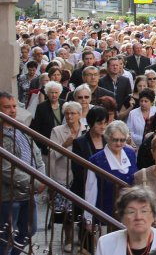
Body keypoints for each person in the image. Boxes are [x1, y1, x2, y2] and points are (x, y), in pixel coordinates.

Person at [0, 92, 46, 255]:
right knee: (5, 236)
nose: (12, 110)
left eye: (14, 106)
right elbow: (5, 169)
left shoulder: (21, 127)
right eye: (7, 107)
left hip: (28, 194)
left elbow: (37, 155)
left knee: (29, 231)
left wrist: (41, 177)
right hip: (9, 196)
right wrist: (34, 183)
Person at [84, 120, 138, 224]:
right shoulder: (96, 160)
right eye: (115, 140)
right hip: (105, 214)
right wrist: (89, 218)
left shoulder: (130, 154)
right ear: (107, 138)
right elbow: (90, 191)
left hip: (129, 213)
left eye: (122, 140)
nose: (118, 143)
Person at [48, 101, 86, 250]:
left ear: (79, 115)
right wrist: (65, 145)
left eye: (73, 113)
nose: (70, 116)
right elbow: (51, 154)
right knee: (67, 212)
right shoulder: (57, 131)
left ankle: (84, 240)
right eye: (67, 113)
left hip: (82, 176)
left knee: (83, 211)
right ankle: (68, 239)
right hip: (64, 176)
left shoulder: (86, 130)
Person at [95, 186, 156, 255]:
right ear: (122, 217)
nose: (138, 217)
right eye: (131, 212)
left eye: (144, 211)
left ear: (153, 216)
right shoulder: (106, 243)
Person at [30, 80, 65, 155]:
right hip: (47, 143)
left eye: (56, 92)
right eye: (51, 92)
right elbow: (36, 126)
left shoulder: (64, 104)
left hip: (62, 141)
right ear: (47, 93)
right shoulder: (41, 107)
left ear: (60, 93)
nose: (54, 95)